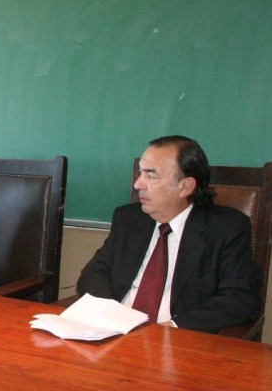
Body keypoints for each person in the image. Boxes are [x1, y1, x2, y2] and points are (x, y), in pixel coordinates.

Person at [77, 135, 261, 333]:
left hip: (177, 339)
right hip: (113, 332)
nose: (138, 184)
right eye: (141, 173)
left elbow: (241, 298)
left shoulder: (226, 228)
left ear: (185, 186)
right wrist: (109, 313)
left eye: (151, 176)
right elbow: (93, 273)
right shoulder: (128, 219)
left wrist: (172, 328)